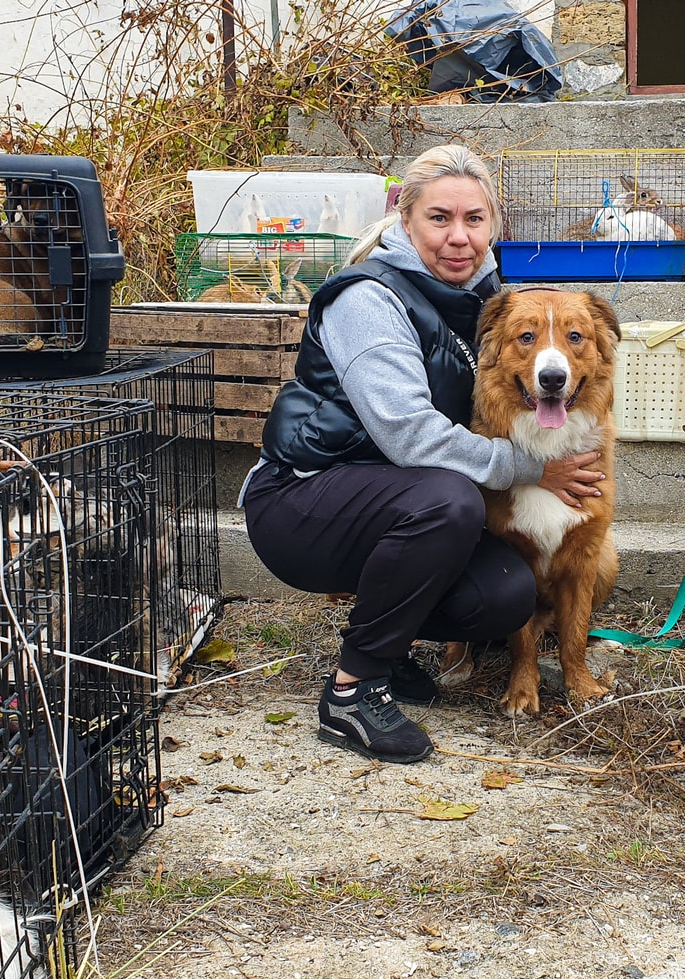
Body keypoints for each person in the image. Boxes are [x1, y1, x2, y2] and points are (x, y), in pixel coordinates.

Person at [240, 144, 605, 764]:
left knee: (505, 592)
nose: (459, 237)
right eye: (440, 218)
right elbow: (410, 435)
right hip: (303, 500)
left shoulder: (486, 297)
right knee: (450, 500)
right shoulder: (367, 298)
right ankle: (353, 690)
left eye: (474, 220)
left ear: (494, 226)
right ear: (405, 218)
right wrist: (531, 468)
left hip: (387, 499)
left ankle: (392, 645)